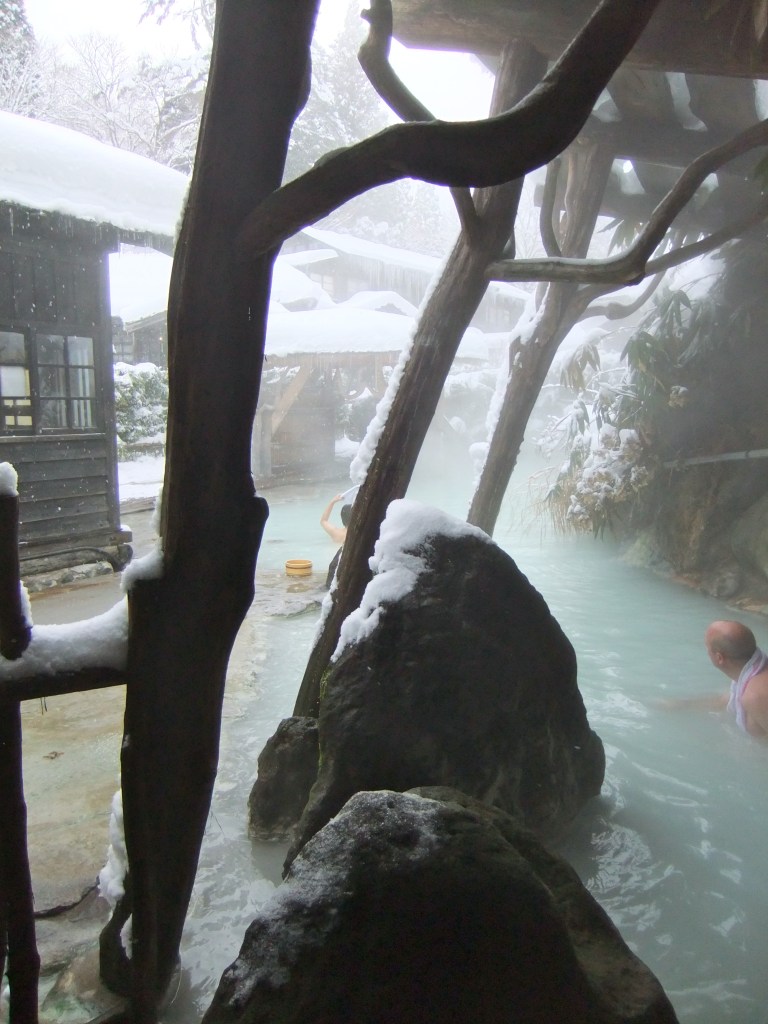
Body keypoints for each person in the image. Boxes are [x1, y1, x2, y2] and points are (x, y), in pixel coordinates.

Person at [665, 620, 768, 738]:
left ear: (719, 658)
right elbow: (723, 701)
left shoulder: (755, 697)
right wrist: (681, 705)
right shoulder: (751, 673)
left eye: (707, 647)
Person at [320, 494, 352, 588]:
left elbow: (323, 521)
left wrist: (332, 502)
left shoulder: (336, 533)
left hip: (334, 566)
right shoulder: (358, 533)